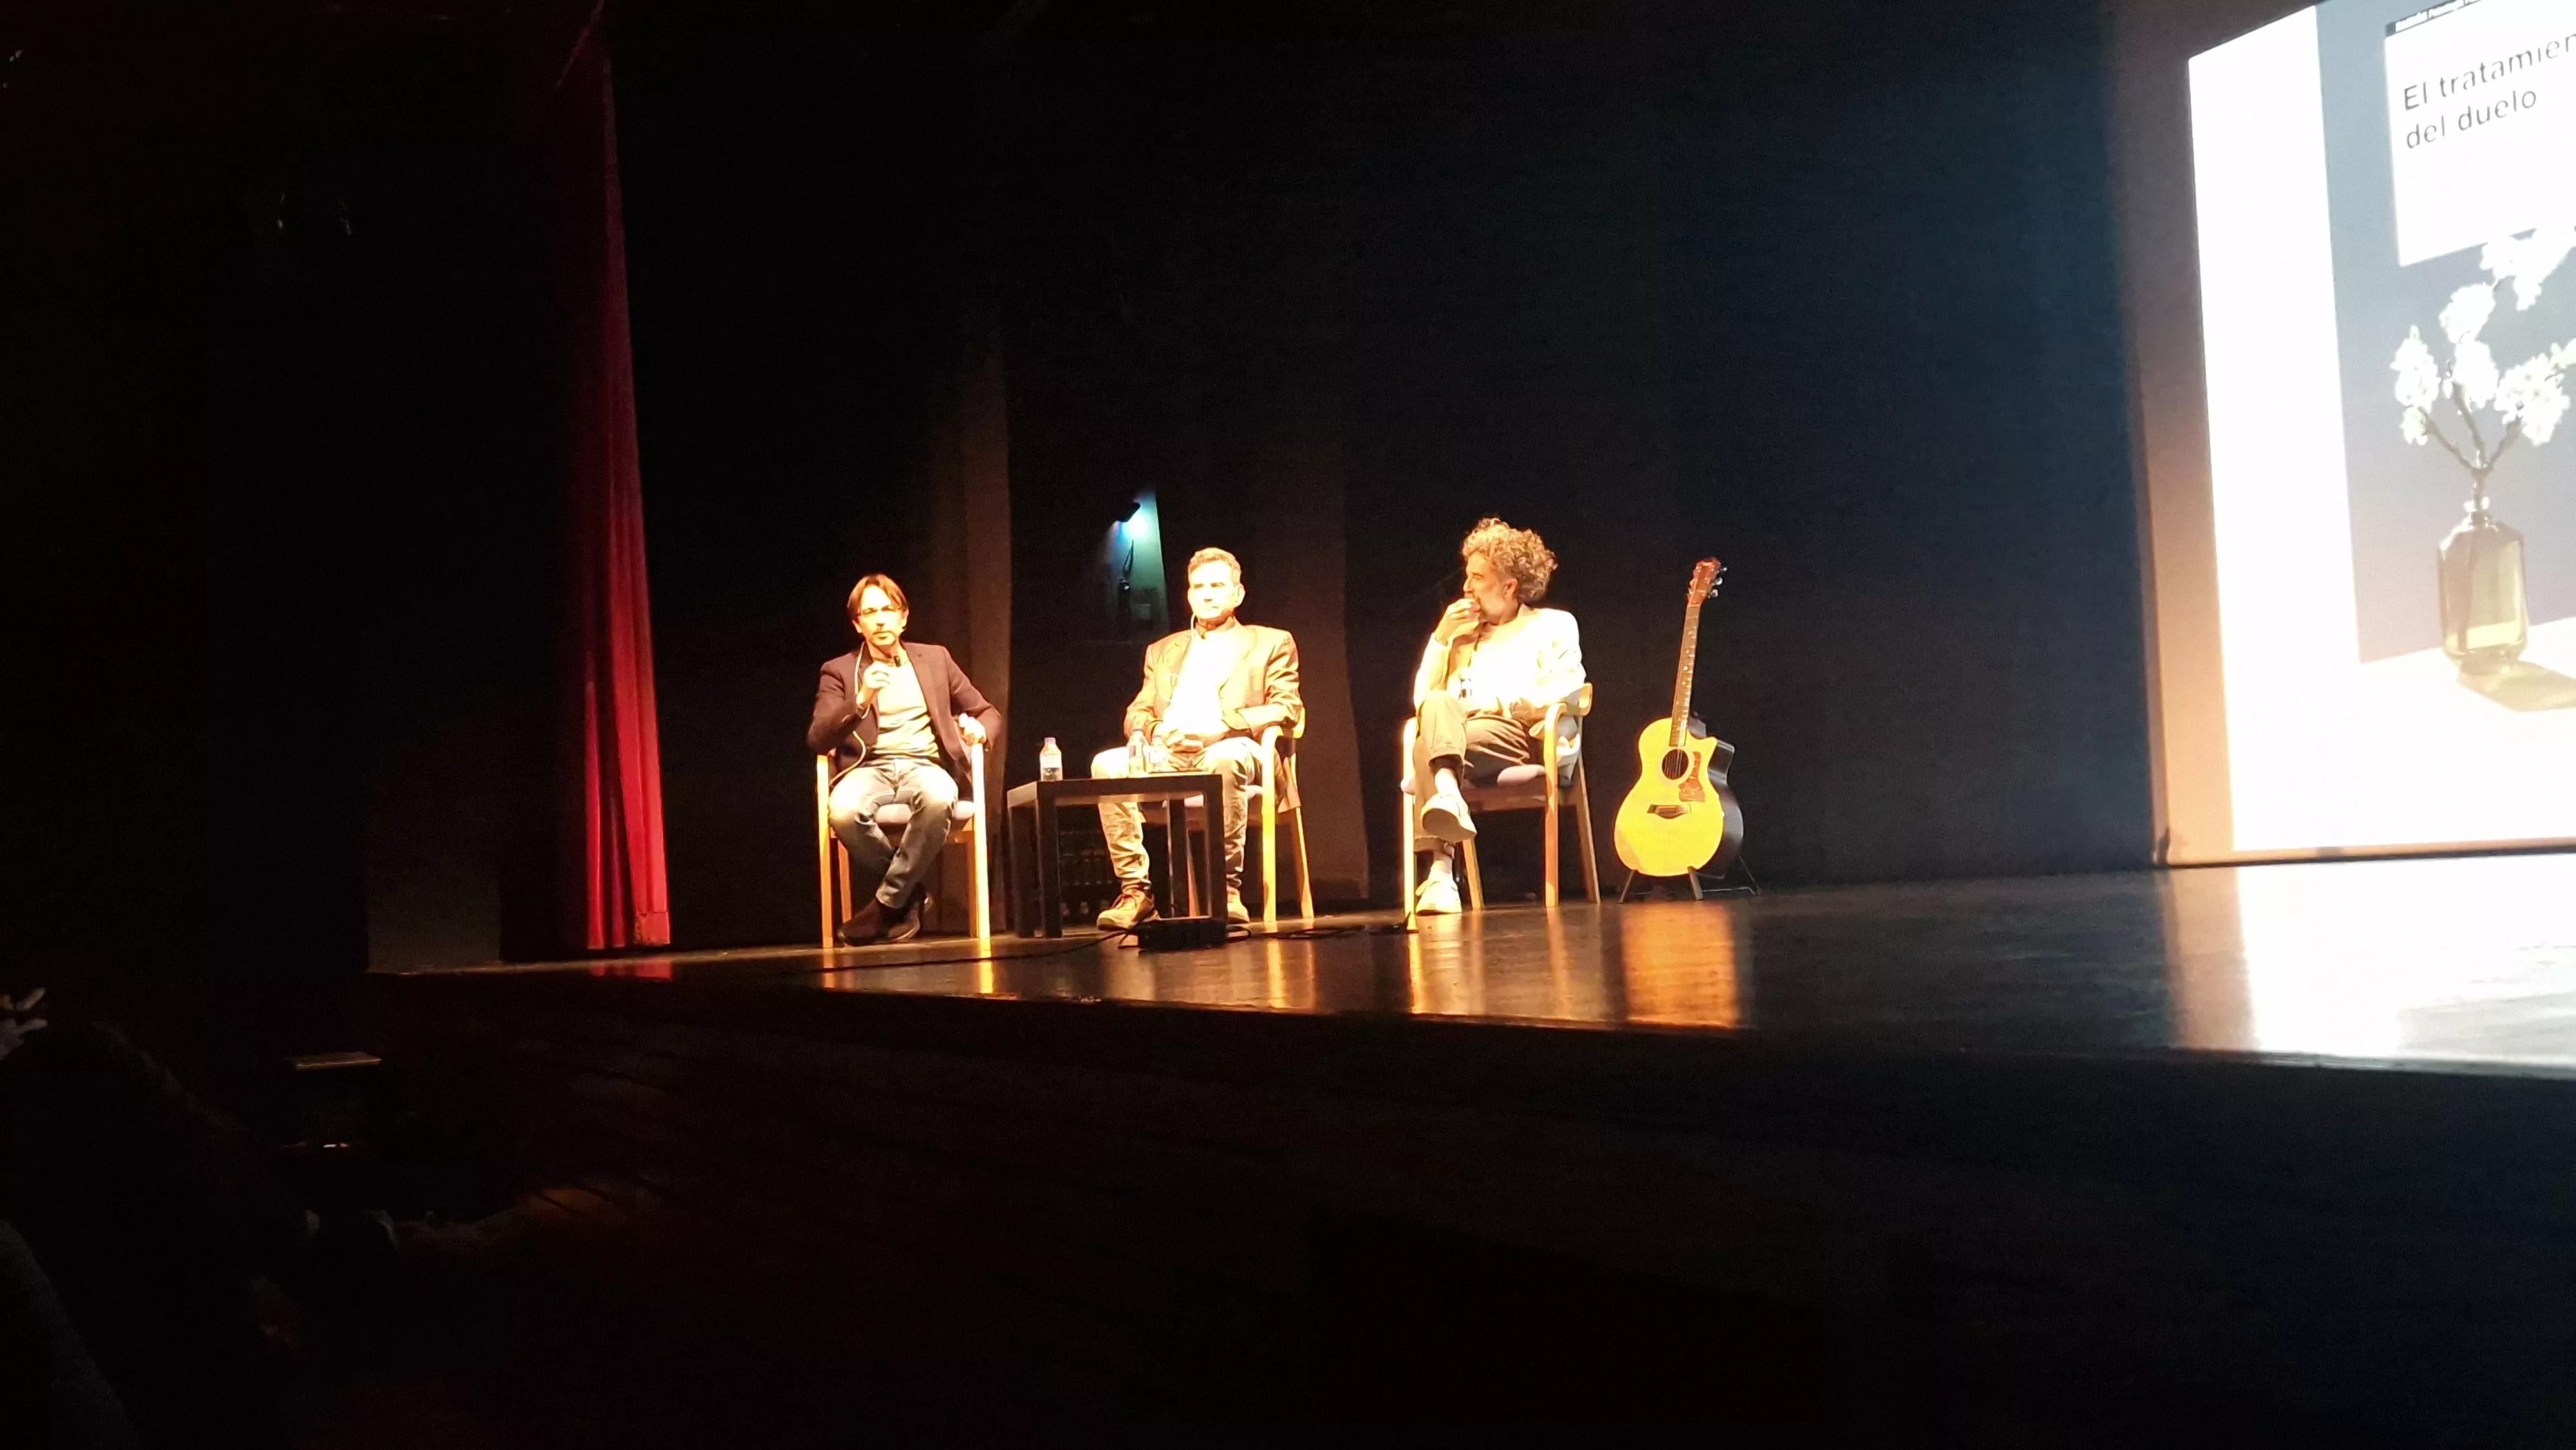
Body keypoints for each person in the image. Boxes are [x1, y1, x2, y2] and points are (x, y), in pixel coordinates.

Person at [1090, 548, 1303, 931]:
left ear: (1238, 594)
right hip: (1167, 753)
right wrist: (1158, 731)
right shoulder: (1162, 650)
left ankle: (1227, 890)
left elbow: (1287, 708)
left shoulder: (1270, 642)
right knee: (1106, 764)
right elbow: (1136, 714)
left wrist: (1222, 725)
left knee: (1226, 757)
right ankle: (1136, 891)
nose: (1207, 594)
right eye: (1198, 587)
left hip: (1233, 748)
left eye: (1217, 585)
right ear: (1188, 595)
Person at [806, 574, 1001, 945]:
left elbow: (989, 711)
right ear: (857, 624)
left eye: (888, 610)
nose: (880, 620)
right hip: (869, 769)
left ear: (903, 617)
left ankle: (887, 904)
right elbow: (818, 738)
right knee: (844, 810)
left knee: (940, 798)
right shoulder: (840, 670)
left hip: (924, 765)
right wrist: (861, 699)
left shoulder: (935, 659)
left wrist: (980, 730)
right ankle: (908, 894)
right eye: (870, 613)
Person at [1406, 518, 1585, 914]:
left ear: (1508, 586)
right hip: (1459, 737)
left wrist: (1498, 703)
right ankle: (1449, 795)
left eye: (1477, 577)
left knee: (1428, 746)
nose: (1466, 587)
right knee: (1433, 718)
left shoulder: (1552, 625)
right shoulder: (1464, 634)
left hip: (1521, 737)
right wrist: (1440, 639)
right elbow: (1422, 700)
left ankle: (1440, 873)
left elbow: (1568, 687)